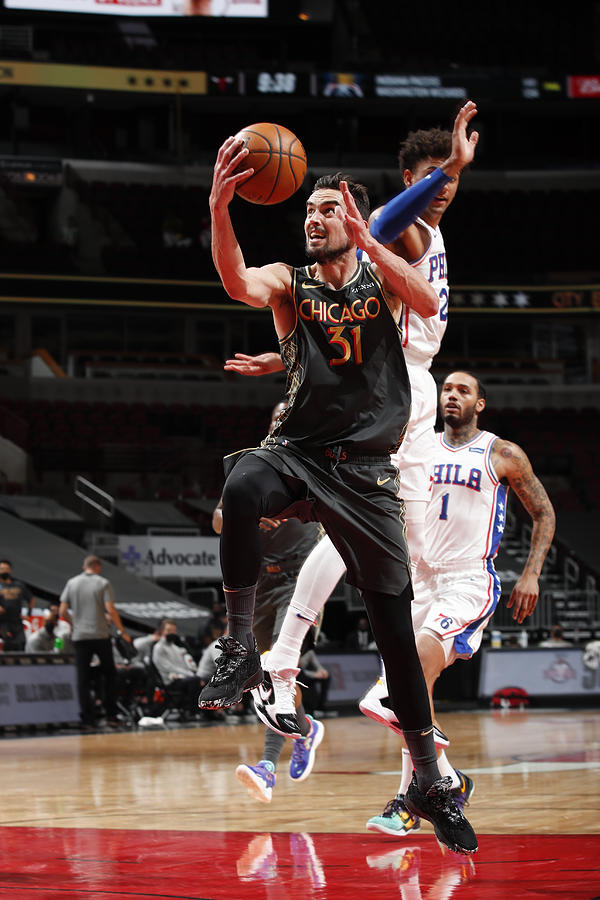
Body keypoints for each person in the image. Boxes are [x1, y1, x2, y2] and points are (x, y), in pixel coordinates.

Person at [197, 128, 477, 854]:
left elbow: (424, 299)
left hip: (368, 470)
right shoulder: (292, 281)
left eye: (327, 210)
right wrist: (220, 208)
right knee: (244, 483)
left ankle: (428, 778)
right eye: (309, 211)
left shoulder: (382, 276)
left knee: (395, 635)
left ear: (350, 218)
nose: (314, 218)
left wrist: (372, 241)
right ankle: (240, 648)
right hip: (300, 453)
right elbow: (236, 282)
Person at [363, 371, 556, 836]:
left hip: (469, 580)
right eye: (447, 389)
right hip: (420, 581)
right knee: (385, 699)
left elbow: (544, 511)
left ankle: (410, 800)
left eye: (462, 390)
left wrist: (530, 573)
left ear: (480, 404)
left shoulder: (501, 453)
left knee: (417, 671)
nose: (452, 395)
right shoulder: (419, 447)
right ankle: (445, 779)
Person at [215, 401, 326, 802]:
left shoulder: (318, 463)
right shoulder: (256, 464)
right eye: (276, 414)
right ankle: (306, 730)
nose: (282, 418)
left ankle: (266, 767)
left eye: (289, 413)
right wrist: (241, 517)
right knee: (264, 676)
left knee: (280, 672)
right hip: (261, 584)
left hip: (301, 581)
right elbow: (217, 517)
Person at [59, 555, 131, 730]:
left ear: (84, 567)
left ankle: (87, 720)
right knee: (111, 675)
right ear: (98, 567)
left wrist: (74, 624)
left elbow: (62, 611)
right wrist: (122, 630)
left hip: (80, 636)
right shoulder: (103, 583)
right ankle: (111, 716)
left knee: (82, 679)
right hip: (100, 635)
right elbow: (110, 609)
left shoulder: (72, 582)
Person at [152, 619, 202, 717]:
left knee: (203, 678)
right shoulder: (159, 648)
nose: (172, 633)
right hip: (170, 680)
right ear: (162, 632)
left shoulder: (176, 647)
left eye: (174, 631)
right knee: (194, 680)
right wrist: (189, 675)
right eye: (169, 631)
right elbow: (168, 668)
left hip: (182, 677)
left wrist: (192, 673)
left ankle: (207, 711)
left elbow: (186, 665)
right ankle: (190, 711)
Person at [0, 558, 33, 650]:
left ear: (10, 570)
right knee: (8, 643)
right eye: (2, 569)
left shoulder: (18, 585)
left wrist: (29, 613)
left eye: (6, 569)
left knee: (21, 643)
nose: (4, 571)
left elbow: (31, 598)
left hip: (17, 621)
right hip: (2, 622)